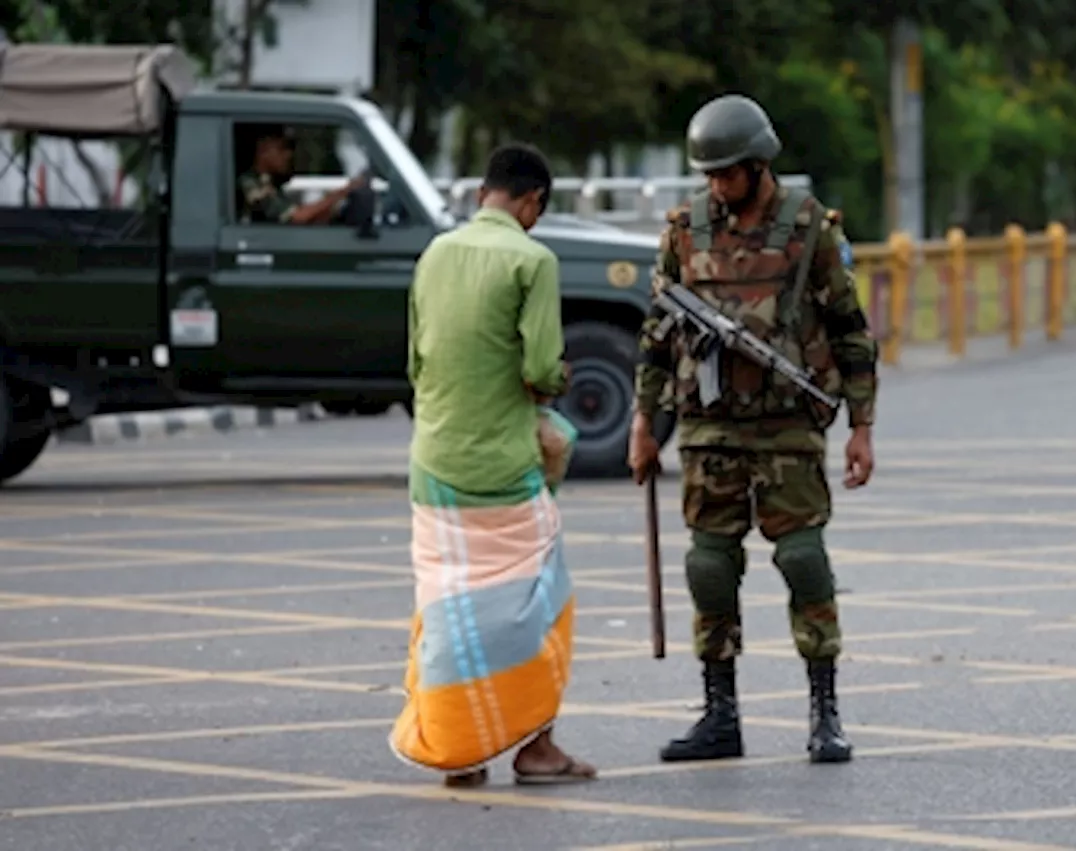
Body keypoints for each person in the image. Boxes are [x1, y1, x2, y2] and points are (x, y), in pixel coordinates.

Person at [627, 94, 879, 766]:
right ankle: (720, 714)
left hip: (788, 426)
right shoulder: (685, 230)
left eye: (727, 174)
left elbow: (851, 331)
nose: (716, 186)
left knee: (802, 560)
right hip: (709, 428)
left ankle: (824, 710)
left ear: (759, 163)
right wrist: (644, 423)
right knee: (709, 567)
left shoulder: (807, 226)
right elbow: (656, 334)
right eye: (707, 175)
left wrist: (862, 426)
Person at [389, 142, 597, 787]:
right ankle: (536, 748)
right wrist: (553, 378)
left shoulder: (435, 253)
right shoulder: (533, 260)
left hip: (433, 463)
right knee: (541, 603)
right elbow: (539, 369)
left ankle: (460, 752)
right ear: (532, 202)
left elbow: (415, 364)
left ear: (485, 194)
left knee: (447, 605)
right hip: (501, 469)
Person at [237, 123, 367, 225]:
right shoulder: (250, 183)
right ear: (263, 150)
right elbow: (295, 217)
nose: (288, 155)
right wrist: (341, 192)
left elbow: (305, 217)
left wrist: (332, 208)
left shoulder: (271, 183)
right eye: (281, 148)